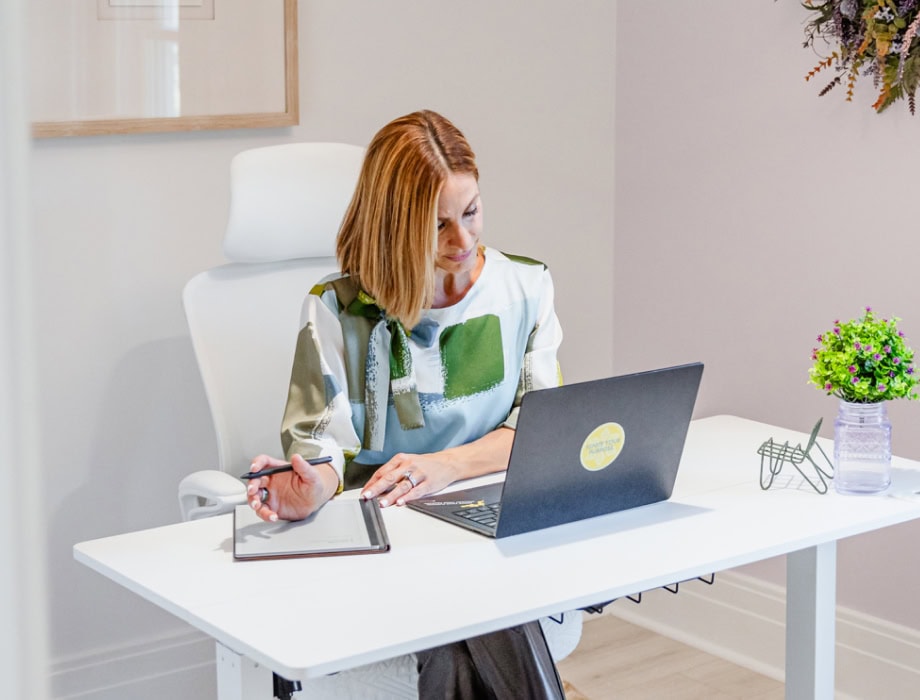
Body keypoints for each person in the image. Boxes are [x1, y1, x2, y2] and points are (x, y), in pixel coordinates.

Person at [247, 109, 566, 699]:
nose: (462, 241)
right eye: (437, 225)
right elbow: (324, 453)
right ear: (394, 227)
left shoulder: (525, 288)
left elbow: (541, 429)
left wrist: (443, 466)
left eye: (470, 213)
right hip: (386, 538)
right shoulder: (337, 310)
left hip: (491, 521)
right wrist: (310, 484)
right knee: (468, 609)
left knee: (469, 603)